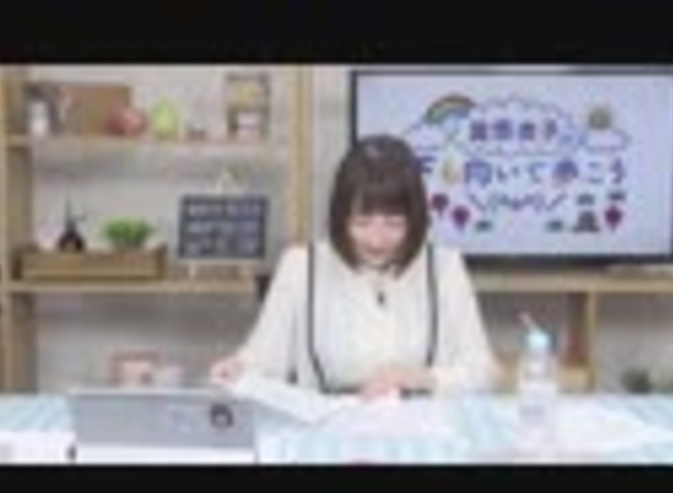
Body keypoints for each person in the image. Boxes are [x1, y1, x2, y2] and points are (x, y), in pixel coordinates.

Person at [209, 134, 502, 399]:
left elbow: (483, 373)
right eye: (361, 222)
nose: (376, 240)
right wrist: (239, 368)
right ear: (340, 218)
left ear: (416, 220)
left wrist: (417, 378)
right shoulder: (301, 265)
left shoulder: (443, 267)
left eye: (394, 224)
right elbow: (263, 359)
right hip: (324, 432)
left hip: (419, 432)